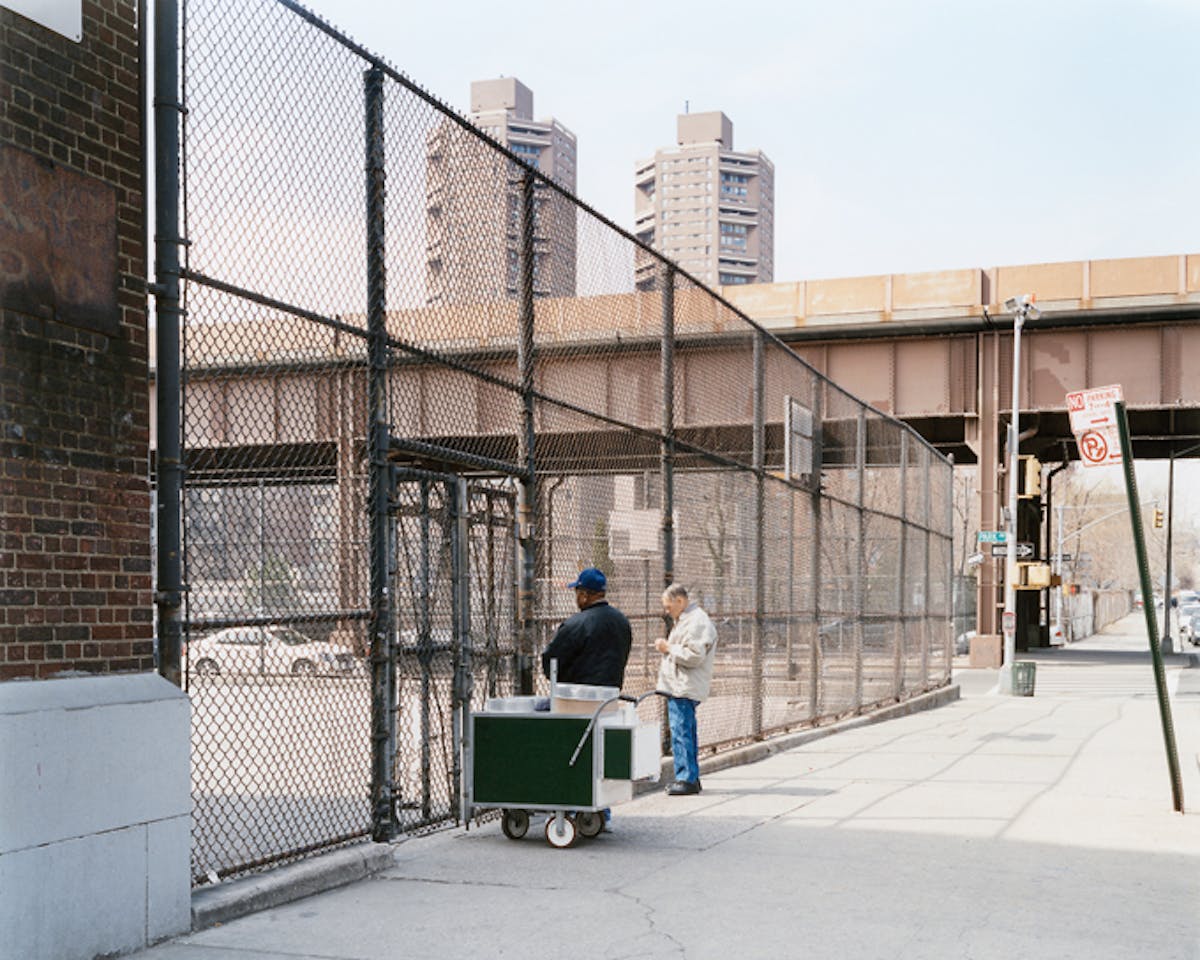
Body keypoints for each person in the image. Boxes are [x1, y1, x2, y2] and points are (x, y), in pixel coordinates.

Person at [655, 583, 717, 796]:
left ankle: (686, 778)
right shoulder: (688, 619)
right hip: (681, 684)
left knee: (681, 731)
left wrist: (668, 647)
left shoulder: (696, 621)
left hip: (684, 685)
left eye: (668, 606)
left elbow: (694, 655)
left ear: (680, 601)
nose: (666, 611)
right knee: (685, 730)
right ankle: (690, 776)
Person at [541, 567, 632, 688]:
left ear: (584, 596)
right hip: (611, 693)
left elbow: (551, 663)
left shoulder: (575, 625)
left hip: (578, 694)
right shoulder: (622, 621)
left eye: (577, 593)